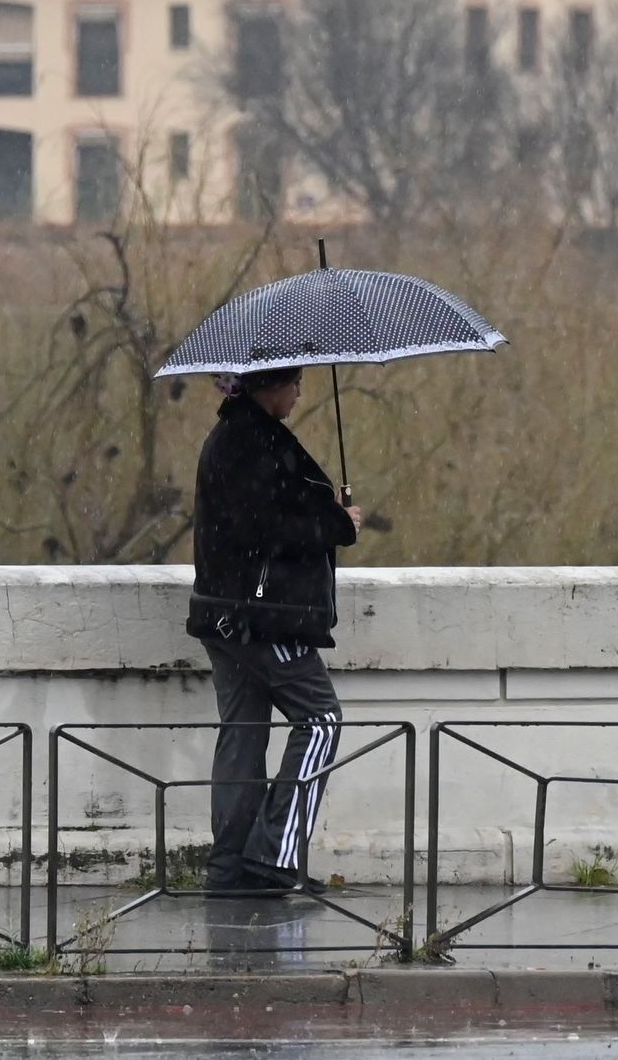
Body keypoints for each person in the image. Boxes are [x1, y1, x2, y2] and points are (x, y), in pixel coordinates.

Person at [186, 366, 364, 894]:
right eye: (295, 383)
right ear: (270, 386)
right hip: (263, 618)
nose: (301, 392)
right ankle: (274, 857)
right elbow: (265, 528)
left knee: (242, 736)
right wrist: (338, 523)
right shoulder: (251, 443)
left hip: (224, 614)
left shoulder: (233, 438)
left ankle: (231, 869)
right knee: (322, 720)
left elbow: (254, 520)